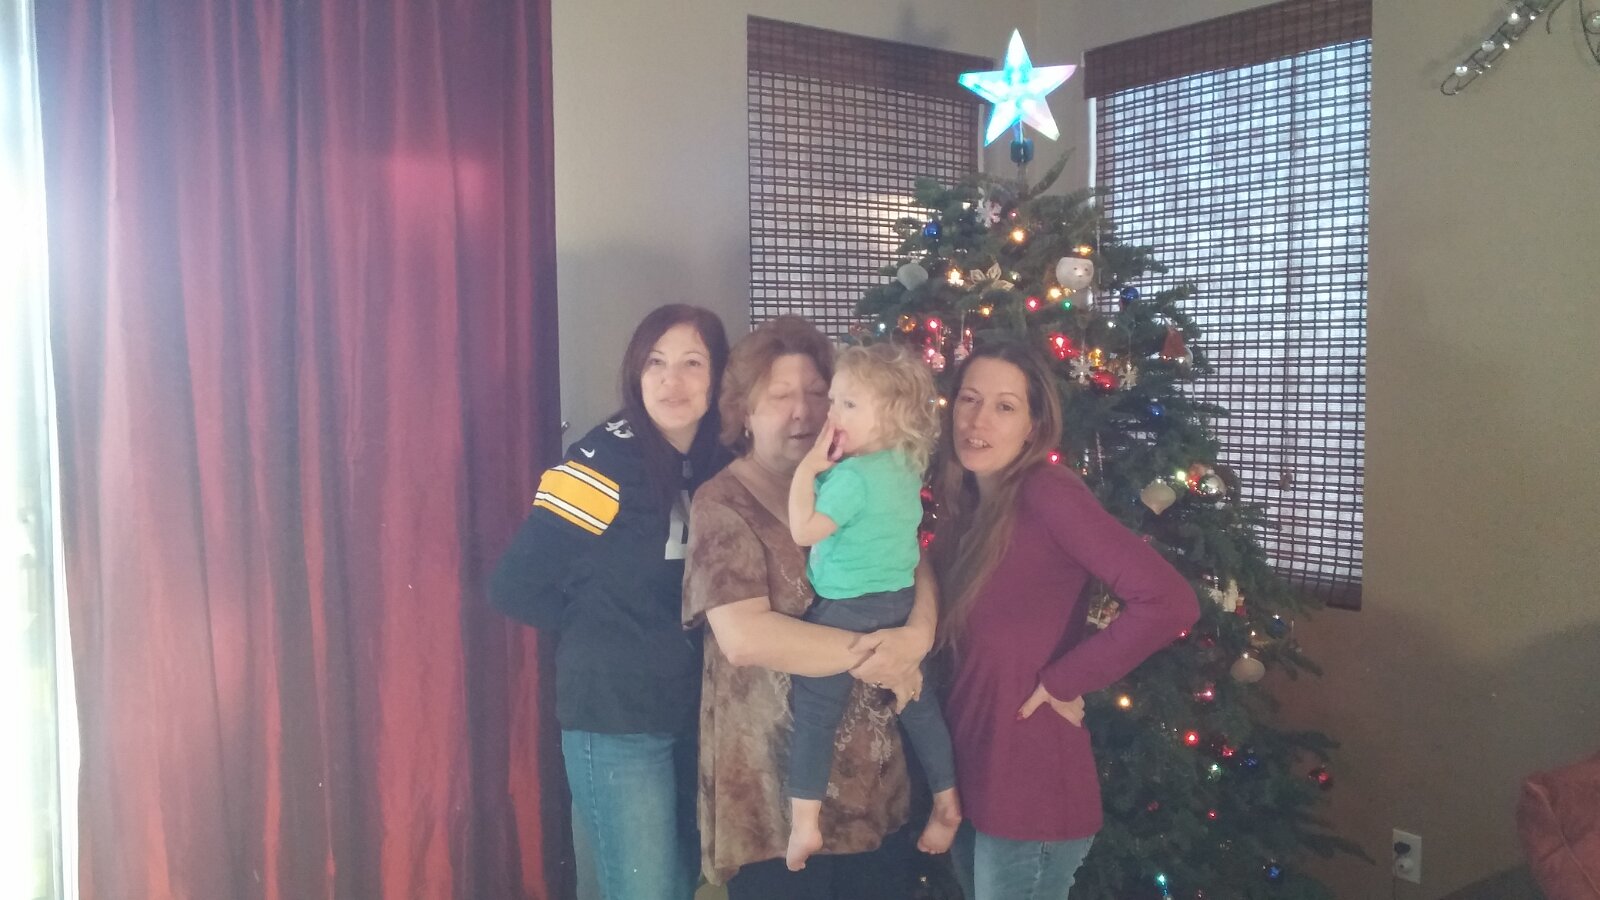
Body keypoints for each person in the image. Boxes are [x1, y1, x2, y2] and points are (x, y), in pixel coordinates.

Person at [929, 337, 1200, 900]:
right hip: (971, 779)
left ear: (1033, 427)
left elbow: (1169, 601)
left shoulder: (1048, 493)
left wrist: (1065, 680)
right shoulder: (965, 509)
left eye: (1004, 406)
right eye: (969, 399)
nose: (978, 420)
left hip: (1030, 790)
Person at [682, 316, 934, 900]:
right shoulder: (723, 502)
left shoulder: (859, 477)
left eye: (819, 394)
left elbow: (914, 560)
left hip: (874, 791)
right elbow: (746, 638)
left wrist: (917, 635)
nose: (803, 412)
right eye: (779, 396)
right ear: (744, 411)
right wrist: (883, 655)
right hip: (775, 805)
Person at [489, 304, 730, 900]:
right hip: (619, 720)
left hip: (696, 716)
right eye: (656, 363)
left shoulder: (721, 459)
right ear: (635, 373)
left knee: (685, 884)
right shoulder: (603, 463)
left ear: (718, 376)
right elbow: (514, 585)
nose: (672, 381)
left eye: (692, 363)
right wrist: (606, 626)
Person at [784, 343, 960, 871]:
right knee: (918, 702)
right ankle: (948, 798)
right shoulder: (905, 464)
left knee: (814, 711)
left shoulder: (852, 478)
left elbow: (804, 530)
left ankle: (805, 825)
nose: (831, 414)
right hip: (900, 601)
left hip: (848, 606)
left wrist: (806, 471)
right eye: (834, 400)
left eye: (849, 404)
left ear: (893, 417)